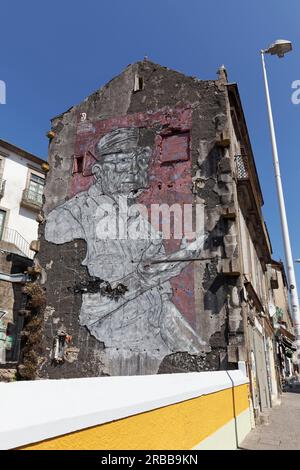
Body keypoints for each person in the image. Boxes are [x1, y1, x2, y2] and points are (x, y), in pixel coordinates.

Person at [45, 127, 208, 374]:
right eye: (121, 163)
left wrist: (192, 347)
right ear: (99, 172)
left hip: (153, 341)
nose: (131, 171)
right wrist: (159, 270)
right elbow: (80, 297)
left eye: (133, 162)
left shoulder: (142, 224)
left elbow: (163, 302)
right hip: (110, 345)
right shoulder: (68, 218)